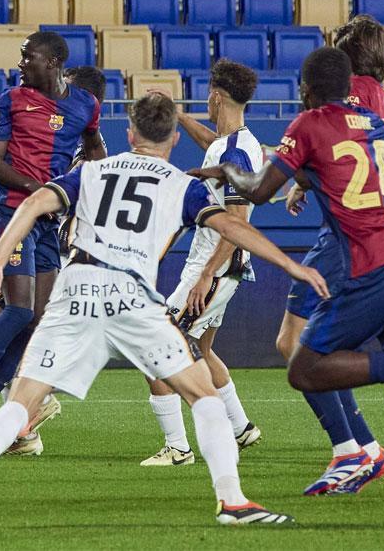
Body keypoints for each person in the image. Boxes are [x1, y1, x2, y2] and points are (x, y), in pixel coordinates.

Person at [0, 92, 324, 524]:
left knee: (23, 397)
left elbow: (35, 203)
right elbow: (232, 226)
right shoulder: (179, 183)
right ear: (170, 141)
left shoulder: (91, 172)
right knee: (202, 395)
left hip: (76, 288)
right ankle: (232, 500)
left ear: (129, 134)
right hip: (132, 297)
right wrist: (288, 265)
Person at [192, 47, 384, 522]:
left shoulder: (309, 124)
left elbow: (258, 190)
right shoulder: (371, 123)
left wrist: (225, 171)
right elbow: (332, 173)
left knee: (304, 366)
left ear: (307, 89)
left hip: (377, 261)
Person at [0, 34, 107, 457]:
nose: (20, 63)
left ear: (52, 62)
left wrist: (93, 177)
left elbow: (94, 149)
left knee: (35, 322)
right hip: (10, 215)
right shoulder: (11, 100)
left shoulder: (85, 104)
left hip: (48, 225)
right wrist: (42, 193)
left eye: (27, 57)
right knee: (16, 308)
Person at [278, 16, 384, 495]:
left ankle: (349, 450)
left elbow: (335, 147)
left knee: (294, 343)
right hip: (380, 233)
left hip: (347, 235)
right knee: (319, 343)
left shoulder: (351, 95)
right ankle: (367, 450)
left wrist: (297, 177)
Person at [139, 60, 263, 466]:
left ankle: (177, 447)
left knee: (157, 346)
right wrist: (176, 114)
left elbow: (238, 222)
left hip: (213, 267)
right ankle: (242, 428)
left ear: (216, 95)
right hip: (222, 267)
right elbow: (213, 143)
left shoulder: (235, 152)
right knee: (203, 350)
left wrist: (206, 274)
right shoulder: (235, 144)